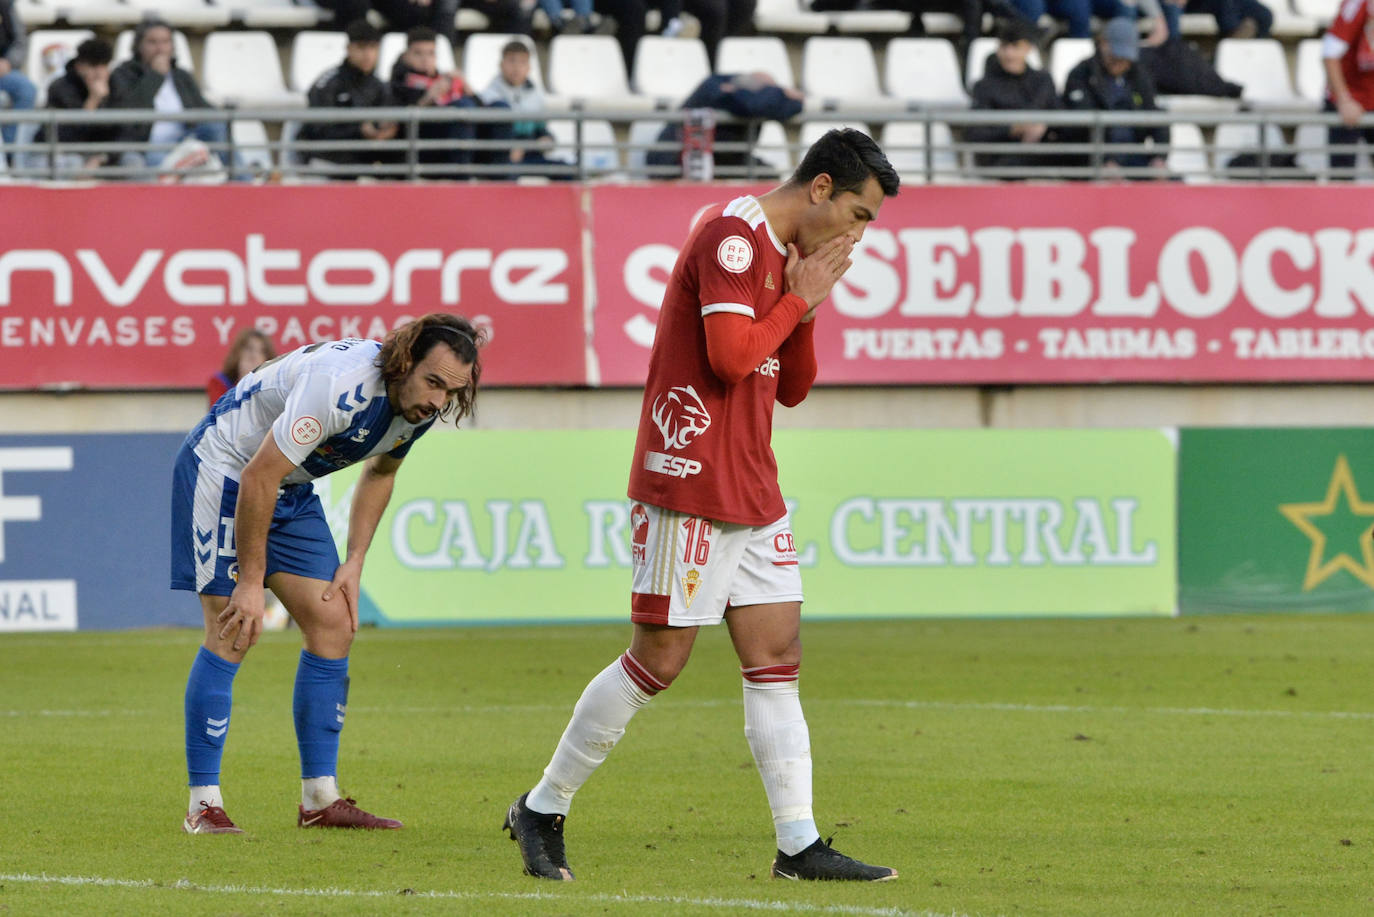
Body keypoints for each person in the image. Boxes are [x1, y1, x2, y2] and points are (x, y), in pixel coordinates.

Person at [502, 128, 900, 883]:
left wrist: (804, 307)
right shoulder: (733, 239)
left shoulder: (781, 262)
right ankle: (542, 806)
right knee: (660, 660)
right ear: (820, 188)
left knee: (777, 655)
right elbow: (728, 358)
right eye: (858, 212)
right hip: (690, 477)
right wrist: (797, 299)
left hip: (751, 480)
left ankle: (798, 844)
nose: (859, 231)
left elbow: (789, 384)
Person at [173, 313, 484, 835]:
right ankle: (203, 805)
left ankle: (320, 799)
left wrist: (355, 560)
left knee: (334, 624)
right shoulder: (340, 387)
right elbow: (257, 475)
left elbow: (381, 471)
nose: (437, 401)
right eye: (433, 383)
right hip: (224, 470)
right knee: (234, 628)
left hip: (286, 486)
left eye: (450, 392)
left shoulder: (418, 409)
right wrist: (251, 583)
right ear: (405, 360)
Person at [108, 19, 230, 173]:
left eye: (165, 42)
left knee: (216, 125)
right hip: (149, 143)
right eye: (152, 42)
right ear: (139, 46)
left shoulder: (181, 75)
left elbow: (202, 108)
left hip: (185, 138)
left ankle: (242, 179)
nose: (160, 48)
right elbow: (129, 113)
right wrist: (155, 76)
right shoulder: (123, 74)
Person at [645, 71, 804, 178]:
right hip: (675, 160)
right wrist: (782, 94)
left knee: (770, 177)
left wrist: (777, 94)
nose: (771, 100)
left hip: (724, 159)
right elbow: (751, 105)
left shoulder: (738, 89)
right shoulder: (713, 86)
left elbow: (796, 105)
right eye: (769, 92)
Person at [1062, 17, 1169, 177]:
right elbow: (1080, 125)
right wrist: (1104, 160)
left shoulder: (1139, 75)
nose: (1121, 62)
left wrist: (1159, 158)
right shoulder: (1081, 74)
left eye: (1125, 58)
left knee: (1172, 182)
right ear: (1103, 43)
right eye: (1116, 55)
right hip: (1092, 159)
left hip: (1134, 155)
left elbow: (1153, 114)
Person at [300, 20, 397, 178]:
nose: (368, 55)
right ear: (348, 49)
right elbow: (317, 130)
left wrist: (386, 131)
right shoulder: (328, 83)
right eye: (361, 48)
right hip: (327, 157)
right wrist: (358, 131)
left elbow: (385, 121)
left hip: (362, 157)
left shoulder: (379, 86)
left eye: (373, 48)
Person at [966, 18, 1063, 176]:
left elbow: (1063, 118)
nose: (1009, 54)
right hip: (1003, 159)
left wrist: (1043, 126)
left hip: (1041, 153)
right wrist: (1013, 129)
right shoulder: (985, 86)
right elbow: (975, 133)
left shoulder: (1042, 81)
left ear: (1028, 48)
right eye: (1004, 46)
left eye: (1016, 46)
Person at [389, 26, 484, 175]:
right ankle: (462, 176)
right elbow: (398, 124)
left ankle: (503, 177)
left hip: (456, 138)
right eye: (418, 53)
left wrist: (468, 90)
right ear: (406, 55)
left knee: (500, 107)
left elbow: (484, 110)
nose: (425, 59)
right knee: (462, 108)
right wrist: (427, 99)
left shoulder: (445, 79)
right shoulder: (398, 83)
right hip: (424, 146)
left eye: (431, 53)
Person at [34, 38, 120, 174]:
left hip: (98, 154)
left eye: (103, 66)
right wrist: (93, 100)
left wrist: (101, 157)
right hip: (60, 153)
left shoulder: (115, 85)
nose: (98, 73)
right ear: (79, 66)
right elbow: (65, 135)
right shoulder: (61, 88)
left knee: (129, 161)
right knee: (74, 163)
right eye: (93, 66)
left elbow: (119, 131)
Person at [479, 40, 562, 177]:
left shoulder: (536, 96)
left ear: (529, 67)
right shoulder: (490, 97)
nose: (517, 67)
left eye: (522, 62)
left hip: (530, 155)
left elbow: (541, 132)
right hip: (502, 159)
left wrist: (546, 139)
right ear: (501, 65)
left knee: (565, 171)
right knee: (509, 174)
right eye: (512, 61)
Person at [1322, 0, 1374, 179]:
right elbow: (1330, 54)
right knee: (1342, 179)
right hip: (1351, 101)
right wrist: (1344, 100)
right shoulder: (1358, 4)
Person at [0, 0, 36, 154]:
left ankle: (10, 150)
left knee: (26, 89)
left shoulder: (5, 5)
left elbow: (20, 41)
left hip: (2, 72)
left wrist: (9, 62)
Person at [208, 328, 276, 406]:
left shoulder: (272, 388)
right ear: (238, 352)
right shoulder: (218, 382)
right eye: (249, 349)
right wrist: (244, 381)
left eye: (261, 351)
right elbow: (219, 415)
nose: (254, 356)